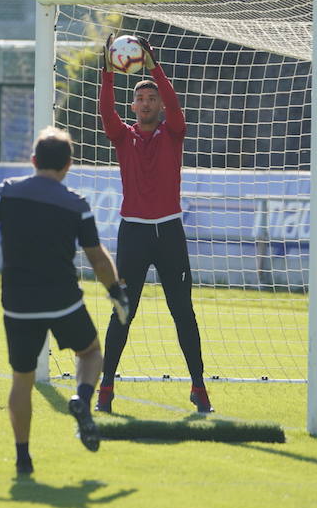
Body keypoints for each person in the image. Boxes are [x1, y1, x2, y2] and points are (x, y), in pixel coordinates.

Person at [0, 126, 129, 476]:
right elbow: (97, 258)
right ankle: (81, 397)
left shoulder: (6, 193)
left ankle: (23, 460)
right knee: (91, 352)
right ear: (68, 165)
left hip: (18, 303)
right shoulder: (75, 203)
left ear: (33, 160)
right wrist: (116, 292)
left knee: (22, 380)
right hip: (63, 299)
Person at [95, 35, 213, 413]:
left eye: (151, 98)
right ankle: (106, 389)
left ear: (160, 104)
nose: (145, 103)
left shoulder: (173, 132)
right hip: (133, 233)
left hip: (170, 233)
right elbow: (106, 114)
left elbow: (176, 107)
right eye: (140, 99)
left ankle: (198, 388)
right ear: (134, 106)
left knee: (183, 312)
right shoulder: (122, 136)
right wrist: (108, 73)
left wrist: (155, 67)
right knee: (122, 310)